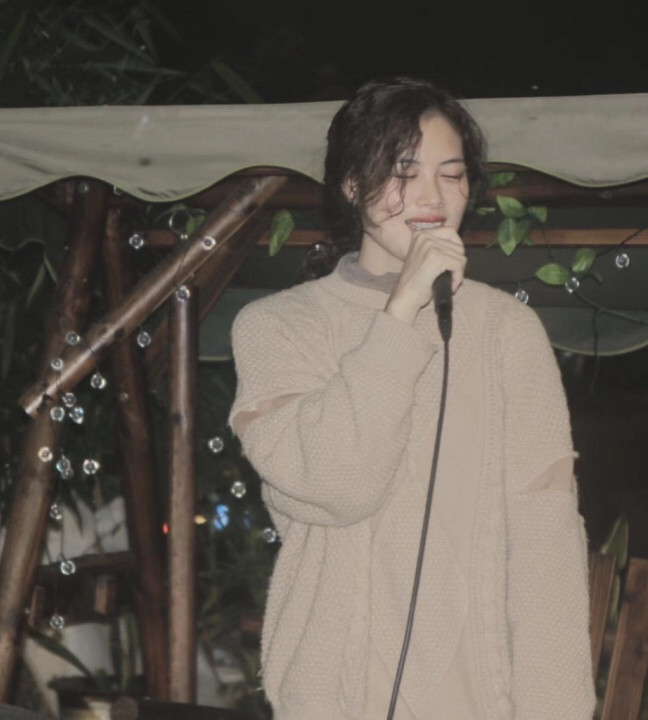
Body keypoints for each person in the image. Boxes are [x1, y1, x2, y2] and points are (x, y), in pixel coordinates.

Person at [229, 77, 595, 719]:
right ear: (351, 185)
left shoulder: (507, 331)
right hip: (334, 699)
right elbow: (336, 483)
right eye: (404, 172)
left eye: (451, 175)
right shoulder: (276, 328)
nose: (431, 196)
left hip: (482, 697)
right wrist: (399, 314)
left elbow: (547, 548)